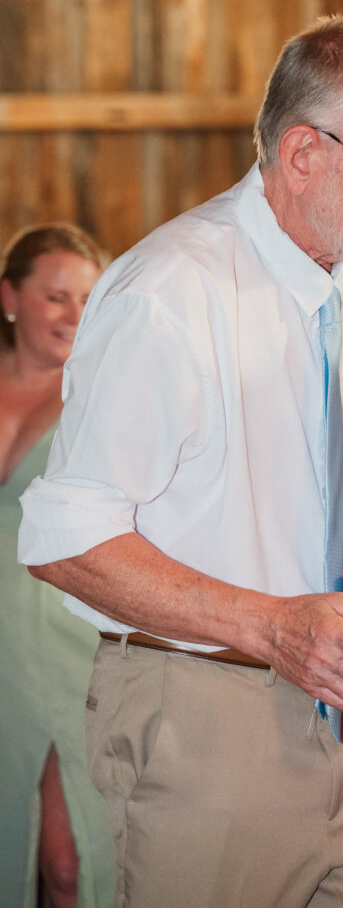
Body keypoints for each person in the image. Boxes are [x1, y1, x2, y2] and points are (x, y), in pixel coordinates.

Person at [18, 14, 343, 908]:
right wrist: (271, 627)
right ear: (303, 155)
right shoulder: (168, 295)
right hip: (201, 717)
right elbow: (64, 537)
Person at [0, 225, 114, 908]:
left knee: (69, 863)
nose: (75, 314)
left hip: (67, 639)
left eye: (88, 298)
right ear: (9, 297)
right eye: (56, 296)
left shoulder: (103, 397)